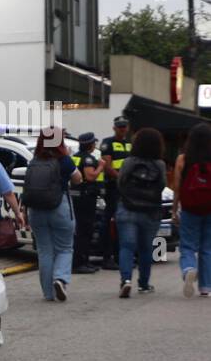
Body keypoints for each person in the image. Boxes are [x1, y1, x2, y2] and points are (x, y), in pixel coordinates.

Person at [24, 127, 81, 302]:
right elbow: (78, 179)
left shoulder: (34, 160)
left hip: (36, 210)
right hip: (59, 207)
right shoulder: (64, 160)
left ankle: (48, 294)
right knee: (64, 248)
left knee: (44, 251)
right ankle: (60, 278)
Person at [115, 127, 169, 297]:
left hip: (128, 208)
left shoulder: (129, 161)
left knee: (126, 246)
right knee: (146, 248)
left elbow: (120, 182)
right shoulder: (160, 164)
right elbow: (161, 185)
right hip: (150, 211)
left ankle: (126, 280)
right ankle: (144, 284)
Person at [172, 123, 211, 297]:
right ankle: (206, 287)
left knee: (187, 245)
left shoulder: (183, 159)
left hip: (190, 208)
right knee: (207, 248)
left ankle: (188, 268)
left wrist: (174, 210)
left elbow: (177, 187)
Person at [99, 116, 132, 270]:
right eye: (120, 126)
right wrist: (122, 179)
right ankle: (107, 257)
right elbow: (107, 166)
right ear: (114, 128)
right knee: (109, 222)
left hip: (127, 190)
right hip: (113, 189)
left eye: (124, 126)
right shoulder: (108, 143)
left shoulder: (130, 144)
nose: (122, 129)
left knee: (124, 223)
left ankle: (121, 257)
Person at [69, 132, 102, 273]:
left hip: (75, 198)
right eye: (94, 142)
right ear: (90, 144)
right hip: (85, 199)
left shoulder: (74, 157)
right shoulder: (88, 159)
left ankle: (83, 261)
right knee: (85, 231)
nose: (95, 144)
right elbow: (90, 176)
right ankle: (80, 263)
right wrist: (100, 166)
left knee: (79, 231)